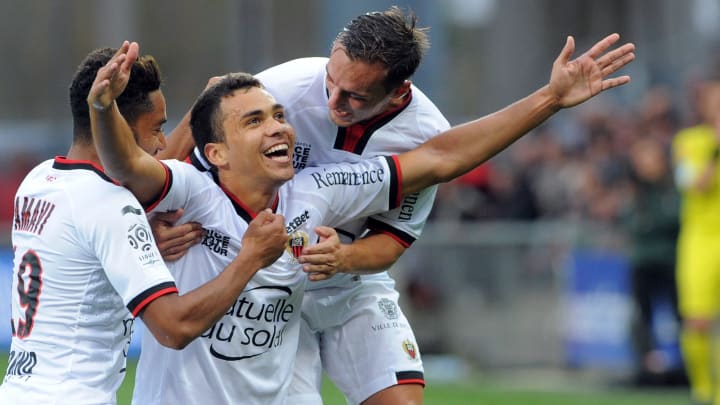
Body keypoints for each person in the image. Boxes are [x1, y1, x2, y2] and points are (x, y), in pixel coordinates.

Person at [87, 33, 634, 405]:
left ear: (397, 91)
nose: (287, 121)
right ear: (217, 152)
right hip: (257, 315)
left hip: (344, 283)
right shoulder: (198, 184)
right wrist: (138, 203)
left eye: (278, 116)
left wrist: (550, 99)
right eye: (255, 121)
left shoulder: (319, 188)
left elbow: (441, 161)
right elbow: (137, 168)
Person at [0, 44, 287, 405]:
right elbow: (173, 328)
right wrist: (251, 257)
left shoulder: (40, 180)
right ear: (118, 128)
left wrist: (201, 109)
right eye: (157, 128)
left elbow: (110, 208)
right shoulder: (111, 205)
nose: (163, 142)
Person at [672, 77, 720, 405]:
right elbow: (694, 185)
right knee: (698, 320)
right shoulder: (687, 141)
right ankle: (702, 390)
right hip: (700, 241)